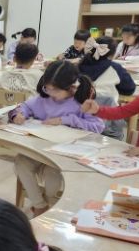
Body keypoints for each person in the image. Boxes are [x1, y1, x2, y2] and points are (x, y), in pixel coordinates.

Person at [10, 61, 104, 214]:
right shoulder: (44, 98)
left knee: (52, 179)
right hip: (40, 150)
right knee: (21, 162)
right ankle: (40, 206)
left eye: (56, 90)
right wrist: (19, 114)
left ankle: (47, 202)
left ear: (71, 88)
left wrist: (66, 120)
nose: (50, 93)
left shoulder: (81, 102)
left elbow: (98, 127)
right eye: (47, 88)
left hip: (63, 155)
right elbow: (25, 106)